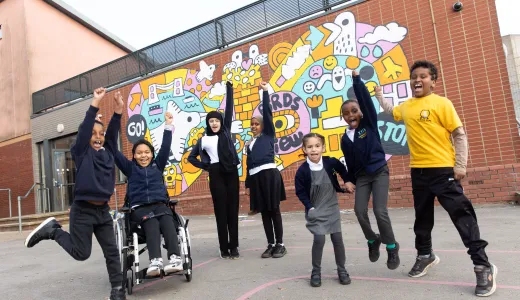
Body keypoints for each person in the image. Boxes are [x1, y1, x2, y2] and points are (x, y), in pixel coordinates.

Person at [375, 60, 497, 297]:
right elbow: (392, 111)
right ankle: (425, 255)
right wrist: (380, 95)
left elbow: (459, 135)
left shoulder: (442, 103)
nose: (417, 80)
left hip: (443, 171)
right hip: (418, 172)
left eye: (423, 76)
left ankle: (483, 265)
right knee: (422, 220)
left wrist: (460, 165)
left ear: (433, 80)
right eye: (414, 77)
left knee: (462, 216)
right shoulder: (407, 106)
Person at [24, 88, 126, 300]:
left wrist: (117, 111)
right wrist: (95, 103)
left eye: (101, 134)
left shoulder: (108, 154)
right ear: (85, 137)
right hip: (83, 211)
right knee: (82, 253)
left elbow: (113, 131)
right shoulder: (81, 152)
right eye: (93, 134)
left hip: (103, 211)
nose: (98, 137)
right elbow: (86, 130)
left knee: (112, 251)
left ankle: (117, 290)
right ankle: (53, 231)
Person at [109, 103, 182, 277]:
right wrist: (116, 117)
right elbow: (111, 146)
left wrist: (168, 126)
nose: (143, 155)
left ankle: (174, 258)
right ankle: (155, 261)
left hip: (160, 204)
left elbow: (165, 146)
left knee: (166, 219)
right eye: (139, 153)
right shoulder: (129, 168)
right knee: (150, 221)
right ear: (134, 155)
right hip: (140, 208)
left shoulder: (158, 165)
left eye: (147, 152)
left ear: (152, 154)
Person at [340, 71, 400, 269]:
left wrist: (357, 81)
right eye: (347, 113)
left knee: (379, 210)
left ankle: (391, 247)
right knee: (359, 211)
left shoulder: (369, 124)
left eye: (354, 110)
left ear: (361, 112)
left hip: (379, 171)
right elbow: (348, 162)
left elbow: (365, 102)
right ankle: (373, 240)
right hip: (362, 178)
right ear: (343, 118)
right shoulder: (345, 138)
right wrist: (348, 179)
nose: (351, 115)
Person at [188, 81, 241, 259]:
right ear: (208, 123)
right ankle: (224, 248)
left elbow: (229, 107)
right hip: (216, 173)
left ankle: (234, 246)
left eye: (216, 120)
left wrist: (229, 89)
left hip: (231, 172)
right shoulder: (203, 139)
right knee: (221, 211)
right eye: (211, 121)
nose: (214, 123)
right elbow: (190, 158)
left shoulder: (226, 131)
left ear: (220, 121)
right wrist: (207, 166)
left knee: (232, 210)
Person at [295, 133, 351, 287]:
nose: (314, 150)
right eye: (310, 147)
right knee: (319, 239)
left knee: (337, 240)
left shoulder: (330, 162)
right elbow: (300, 191)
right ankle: (316, 271)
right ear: (305, 149)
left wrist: (347, 182)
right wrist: (310, 207)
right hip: (316, 208)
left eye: (317, 146)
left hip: (331, 206)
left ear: (323, 148)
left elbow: (343, 171)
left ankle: (342, 270)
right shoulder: (303, 171)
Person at [245, 82, 287, 258]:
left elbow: (268, 115)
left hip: (270, 176)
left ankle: (280, 244)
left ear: (263, 126)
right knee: (263, 211)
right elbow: (248, 166)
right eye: (252, 124)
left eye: (257, 124)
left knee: (273, 209)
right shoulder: (249, 144)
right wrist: (247, 185)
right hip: (256, 179)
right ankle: (270, 244)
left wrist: (265, 92)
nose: (254, 126)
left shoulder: (269, 135)